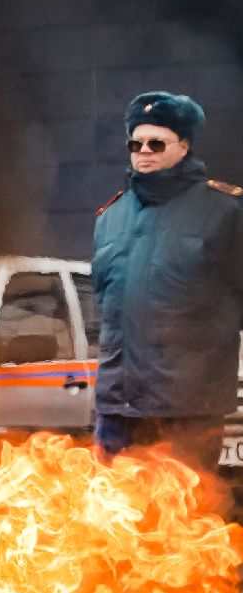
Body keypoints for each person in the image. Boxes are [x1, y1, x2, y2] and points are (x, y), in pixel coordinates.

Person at [93, 91, 243, 485]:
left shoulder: (225, 211)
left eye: (156, 143)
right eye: (136, 143)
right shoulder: (110, 217)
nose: (144, 151)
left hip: (188, 411)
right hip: (117, 410)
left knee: (185, 515)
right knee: (110, 513)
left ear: (184, 146)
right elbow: (107, 307)